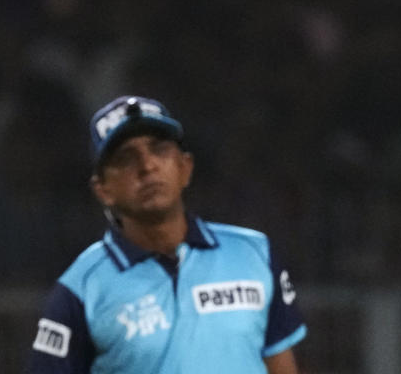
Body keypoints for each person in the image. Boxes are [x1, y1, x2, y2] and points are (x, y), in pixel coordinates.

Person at [25, 95, 307, 373]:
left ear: (185, 168)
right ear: (103, 189)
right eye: (126, 158)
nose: (147, 166)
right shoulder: (81, 289)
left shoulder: (254, 254)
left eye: (159, 149)